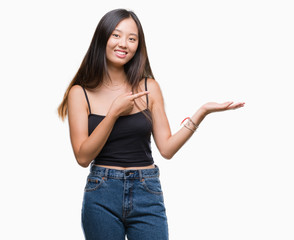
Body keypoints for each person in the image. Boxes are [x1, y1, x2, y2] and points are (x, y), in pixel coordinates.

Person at [58, 8, 244, 240]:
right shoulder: (80, 93)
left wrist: (201, 112)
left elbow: (166, 149)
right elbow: (83, 157)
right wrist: (114, 113)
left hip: (147, 190)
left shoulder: (150, 87)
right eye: (116, 35)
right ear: (102, 37)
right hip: (101, 193)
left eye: (132, 38)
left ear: (138, 45)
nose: (123, 43)